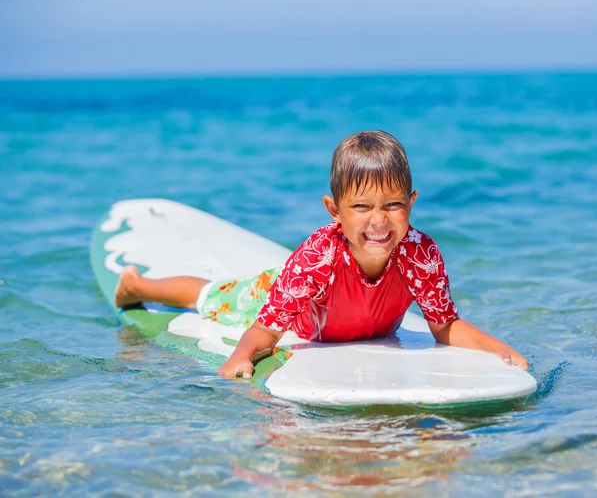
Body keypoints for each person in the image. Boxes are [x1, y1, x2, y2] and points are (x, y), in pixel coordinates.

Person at [115, 131, 529, 378]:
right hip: (278, 296)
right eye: (362, 208)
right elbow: (266, 331)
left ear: (412, 202)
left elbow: (444, 326)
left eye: (393, 205)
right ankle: (138, 284)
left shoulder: (420, 253)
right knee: (213, 296)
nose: (379, 222)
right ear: (335, 210)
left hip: (307, 292)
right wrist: (241, 356)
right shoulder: (319, 256)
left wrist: (497, 349)